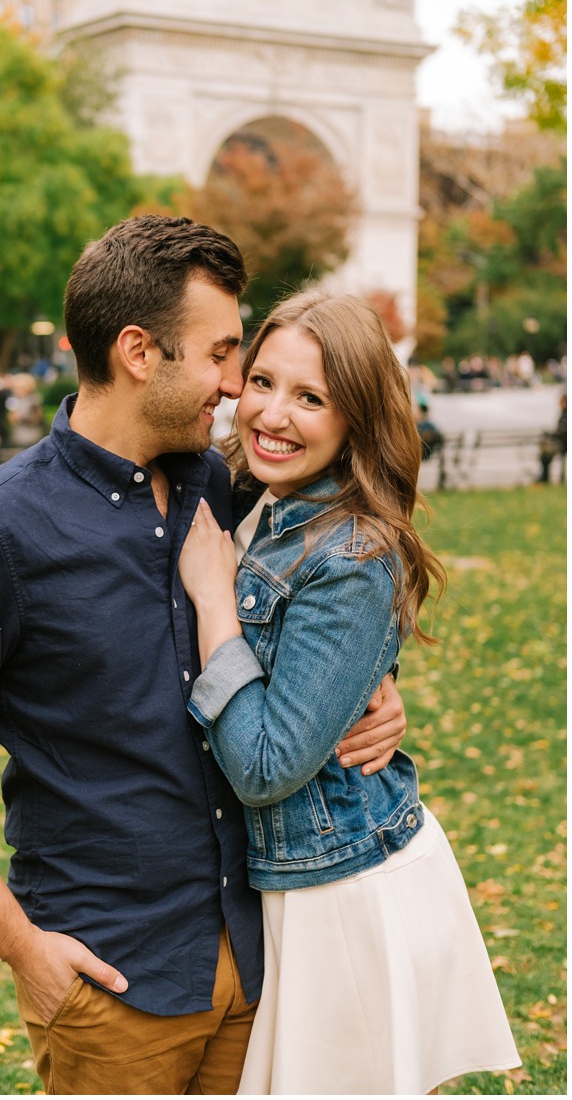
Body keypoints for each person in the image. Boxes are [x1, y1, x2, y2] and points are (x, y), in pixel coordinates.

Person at [0, 215, 408, 1094]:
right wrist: (22, 948)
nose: (236, 387)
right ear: (139, 352)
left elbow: (315, 599)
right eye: (222, 354)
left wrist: (373, 684)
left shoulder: (215, 482)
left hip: (266, 951)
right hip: (113, 982)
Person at [177, 290, 520, 1092]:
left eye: (311, 397)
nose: (273, 413)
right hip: (290, 879)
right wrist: (379, 678)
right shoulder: (243, 487)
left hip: (341, 885)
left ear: (356, 418)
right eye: (263, 381)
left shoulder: (355, 553)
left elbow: (266, 765)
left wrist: (216, 603)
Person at [538, 391, 567, 484]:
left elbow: (563, 431)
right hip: (563, 443)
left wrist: (553, 435)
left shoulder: (566, 415)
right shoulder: (564, 414)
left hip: (564, 445)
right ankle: (544, 476)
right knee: (545, 453)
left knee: (546, 454)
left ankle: (545, 477)